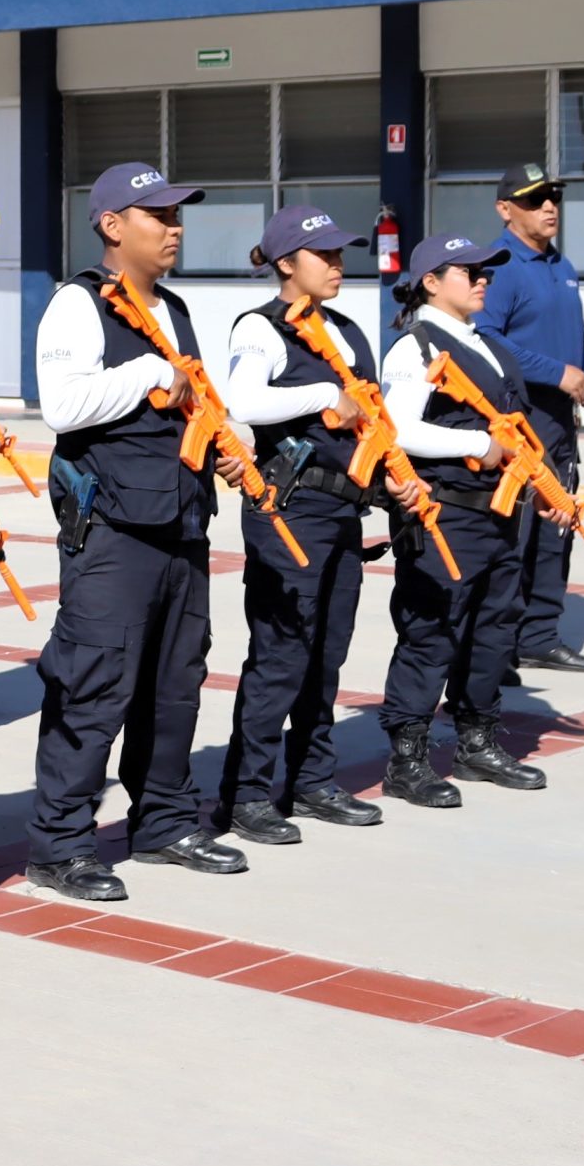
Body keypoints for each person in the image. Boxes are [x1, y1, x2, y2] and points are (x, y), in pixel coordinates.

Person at [25, 163, 249, 903]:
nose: (174, 226)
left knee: (174, 681)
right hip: (115, 529)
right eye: (158, 214)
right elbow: (61, 403)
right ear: (114, 225)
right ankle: (59, 844)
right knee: (93, 683)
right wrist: (150, 371)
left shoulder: (176, 309)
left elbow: (184, 402)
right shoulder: (78, 304)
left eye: (177, 214)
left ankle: (164, 820)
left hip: (180, 523)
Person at [210, 208, 392, 844]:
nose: (339, 265)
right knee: (282, 654)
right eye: (325, 255)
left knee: (326, 654)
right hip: (290, 510)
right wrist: (321, 397)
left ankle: (313, 781)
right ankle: (246, 794)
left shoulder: (346, 331)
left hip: (343, 511)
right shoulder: (262, 328)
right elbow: (243, 401)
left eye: (342, 254)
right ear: (287, 264)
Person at [378, 234, 563, 808]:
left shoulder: (488, 345)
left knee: (494, 628)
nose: (483, 279)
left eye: (486, 272)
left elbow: (519, 430)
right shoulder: (414, 346)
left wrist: (545, 484)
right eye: (469, 271)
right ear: (431, 282)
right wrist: (476, 442)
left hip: (499, 517)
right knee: (432, 631)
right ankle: (406, 760)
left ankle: (476, 742)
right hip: (445, 515)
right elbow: (398, 429)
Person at [478, 164, 584, 674]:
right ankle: (498, 644)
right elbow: (488, 340)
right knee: (518, 533)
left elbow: (572, 333)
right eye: (534, 200)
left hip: (559, 418)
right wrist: (560, 373)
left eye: (552, 196)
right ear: (506, 210)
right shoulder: (501, 266)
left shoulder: (560, 264)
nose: (549, 206)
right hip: (521, 419)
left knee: (557, 528)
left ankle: (540, 634)